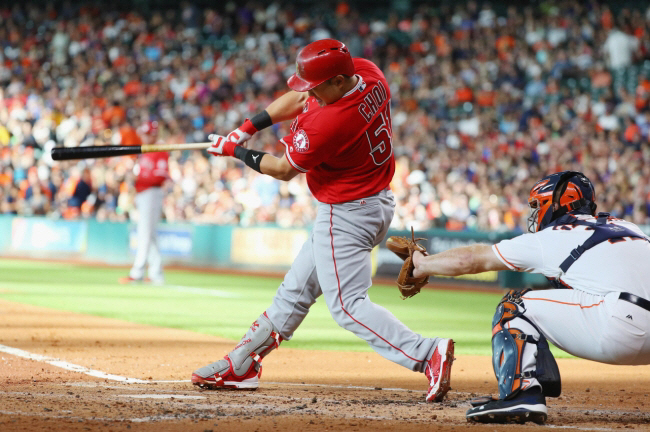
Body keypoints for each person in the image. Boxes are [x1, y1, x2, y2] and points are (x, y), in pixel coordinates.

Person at [191, 39, 454, 402]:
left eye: (316, 86)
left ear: (338, 81)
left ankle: (427, 353)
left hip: (347, 212)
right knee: (294, 292)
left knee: (347, 306)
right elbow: (300, 99)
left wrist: (234, 150)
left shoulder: (331, 121)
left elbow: (283, 169)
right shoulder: (368, 74)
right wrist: (247, 128)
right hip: (373, 201)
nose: (310, 91)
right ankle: (243, 364)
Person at [409, 171, 650, 424]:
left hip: (621, 328)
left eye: (538, 205)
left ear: (556, 204)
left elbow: (471, 260)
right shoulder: (629, 227)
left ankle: (521, 394)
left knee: (514, 305)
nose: (534, 212)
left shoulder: (552, 236)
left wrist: (422, 264)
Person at [119, 121, 169, 285]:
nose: (143, 136)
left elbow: (160, 176)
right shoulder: (145, 150)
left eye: (146, 134)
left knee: (145, 234)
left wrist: (138, 178)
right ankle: (156, 274)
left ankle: (138, 272)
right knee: (150, 235)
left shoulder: (159, 149)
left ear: (153, 134)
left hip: (152, 193)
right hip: (143, 193)